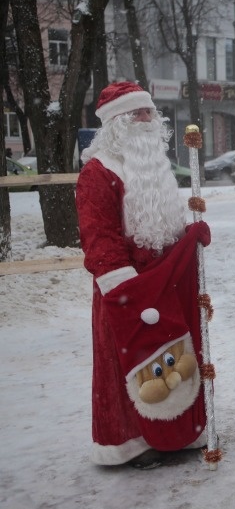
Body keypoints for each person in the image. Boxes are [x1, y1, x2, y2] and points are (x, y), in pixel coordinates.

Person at [75, 81, 210, 468]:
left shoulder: (155, 166)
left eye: (149, 112)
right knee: (129, 363)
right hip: (127, 286)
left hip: (164, 282)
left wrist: (189, 237)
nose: (146, 119)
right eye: (136, 113)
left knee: (174, 356)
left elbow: (163, 226)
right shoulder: (97, 173)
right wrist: (127, 289)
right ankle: (132, 442)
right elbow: (99, 239)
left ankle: (180, 431)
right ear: (115, 122)